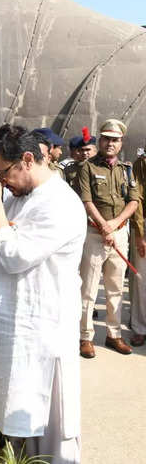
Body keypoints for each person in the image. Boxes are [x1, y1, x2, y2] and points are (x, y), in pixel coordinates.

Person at [0, 124, 83, 463]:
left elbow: (15, 257)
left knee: (46, 428)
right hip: (13, 324)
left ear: (28, 159)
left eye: (3, 173)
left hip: (45, 330)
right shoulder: (18, 197)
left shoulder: (60, 202)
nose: (0, 183)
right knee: (9, 412)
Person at [77, 118, 138, 358]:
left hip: (119, 233)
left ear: (121, 143)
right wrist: (104, 226)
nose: (110, 144)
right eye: (106, 139)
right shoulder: (87, 167)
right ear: (99, 140)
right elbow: (86, 200)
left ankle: (114, 335)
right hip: (94, 234)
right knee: (89, 289)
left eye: (115, 140)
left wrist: (114, 224)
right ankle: (85, 337)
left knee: (115, 289)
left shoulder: (126, 169)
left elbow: (133, 201)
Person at [128, 146, 146, 346]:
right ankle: (141, 327)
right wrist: (140, 234)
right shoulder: (142, 164)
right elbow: (138, 199)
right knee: (141, 280)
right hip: (144, 225)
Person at [64, 127, 96, 193]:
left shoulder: (102, 168)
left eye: (88, 150)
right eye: (81, 150)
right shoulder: (69, 169)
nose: (84, 153)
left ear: (95, 151)